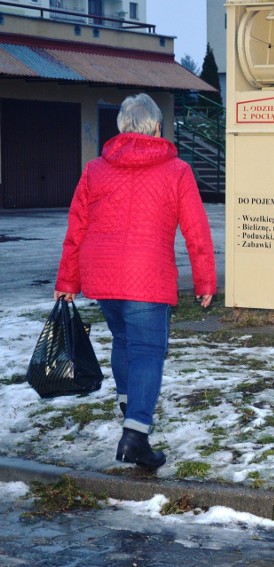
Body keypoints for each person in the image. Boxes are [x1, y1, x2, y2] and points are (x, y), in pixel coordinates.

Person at [54, 93, 217, 469]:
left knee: (125, 341)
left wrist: (68, 280)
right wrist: (205, 280)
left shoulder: (96, 169)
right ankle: (136, 435)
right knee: (146, 350)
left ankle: (130, 414)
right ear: (157, 127)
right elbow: (196, 229)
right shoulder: (176, 170)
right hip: (147, 275)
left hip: (103, 275)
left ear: (122, 127)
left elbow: (76, 227)